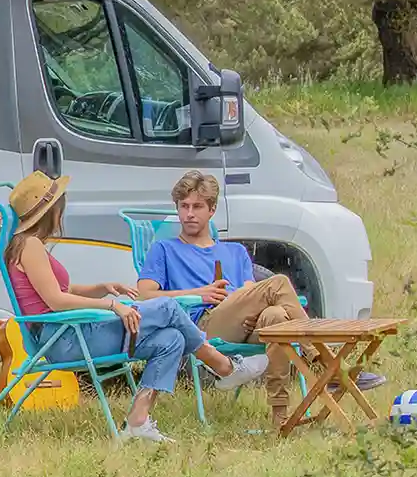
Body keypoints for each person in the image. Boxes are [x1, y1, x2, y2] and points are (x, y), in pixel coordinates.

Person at [2, 171, 268, 443]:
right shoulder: (31, 246)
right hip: (64, 338)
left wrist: (102, 286)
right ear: (51, 211)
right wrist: (111, 304)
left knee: (171, 339)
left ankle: (138, 421)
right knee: (166, 307)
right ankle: (222, 366)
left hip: (69, 332)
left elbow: (61, 291)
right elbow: (56, 302)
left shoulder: (27, 245)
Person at [133, 170, 385, 423]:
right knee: (278, 283)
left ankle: (280, 416)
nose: (189, 213)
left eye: (197, 206)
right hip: (203, 325)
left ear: (211, 211)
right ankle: (324, 363)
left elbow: (249, 291)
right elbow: (145, 294)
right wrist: (199, 293)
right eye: (183, 206)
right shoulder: (165, 249)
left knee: (275, 316)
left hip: (243, 320)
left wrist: (248, 310)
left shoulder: (235, 251)